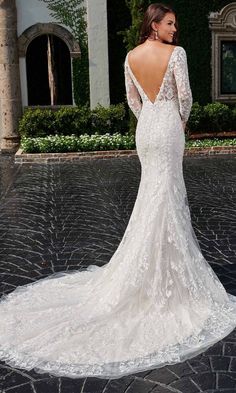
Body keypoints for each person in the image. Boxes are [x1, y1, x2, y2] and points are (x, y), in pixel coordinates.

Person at [0, 2, 236, 381]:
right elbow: (186, 98)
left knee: (154, 197)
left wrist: (151, 118)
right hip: (169, 129)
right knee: (167, 198)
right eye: (170, 23)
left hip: (146, 131)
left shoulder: (130, 57)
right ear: (155, 24)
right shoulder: (176, 54)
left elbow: (132, 100)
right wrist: (175, 122)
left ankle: (151, 265)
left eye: (175, 25)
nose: (175, 30)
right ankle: (165, 275)